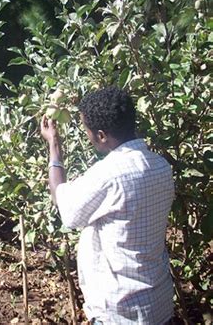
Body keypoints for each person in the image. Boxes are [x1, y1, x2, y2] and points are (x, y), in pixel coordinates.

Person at [40, 86, 175, 324]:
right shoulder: (161, 166)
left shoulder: (109, 175)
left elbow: (63, 204)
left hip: (121, 309)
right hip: (159, 302)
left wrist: (54, 148)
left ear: (102, 135)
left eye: (88, 131)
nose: (88, 137)